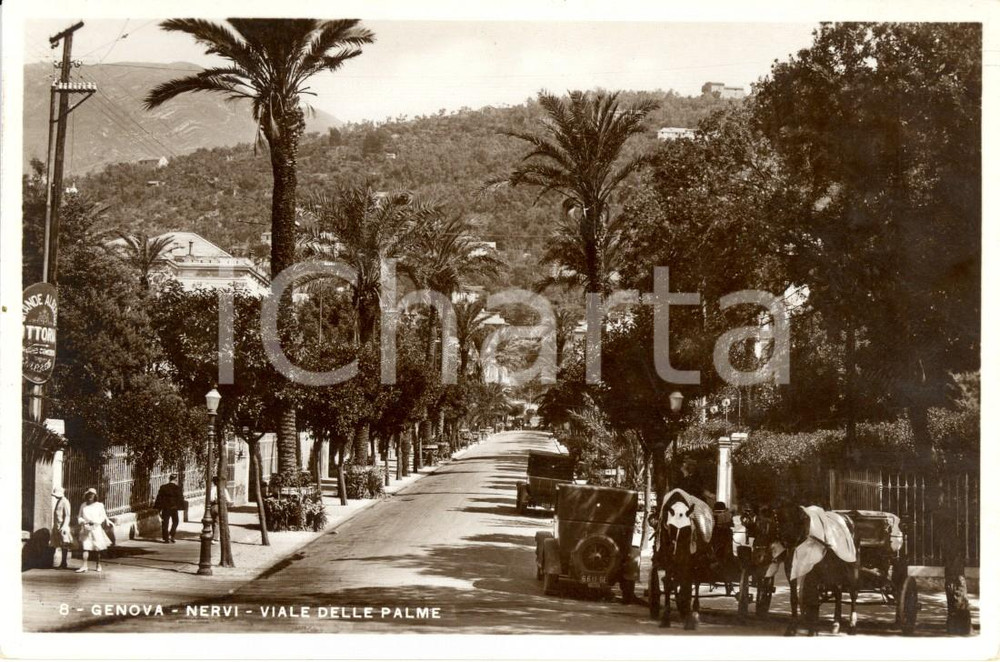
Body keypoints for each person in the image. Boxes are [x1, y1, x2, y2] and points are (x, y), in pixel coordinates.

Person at [76, 487, 112, 573]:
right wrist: (83, 522)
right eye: (89, 495)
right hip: (86, 528)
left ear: (95, 496)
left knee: (97, 548)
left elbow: (102, 517)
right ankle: (84, 566)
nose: (90, 496)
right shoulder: (83, 505)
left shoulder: (99, 505)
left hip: (96, 529)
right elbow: (79, 516)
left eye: (92, 495)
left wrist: (95, 522)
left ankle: (98, 564)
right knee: (85, 547)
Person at [154, 473, 184, 543]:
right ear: (176, 479)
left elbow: (159, 498)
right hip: (174, 508)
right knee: (175, 521)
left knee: (165, 522)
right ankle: (172, 535)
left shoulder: (163, 487)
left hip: (165, 508)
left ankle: (166, 538)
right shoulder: (178, 488)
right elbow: (180, 499)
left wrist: (159, 508)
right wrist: (179, 507)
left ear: (169, 479)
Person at [49, 487, 73, 569]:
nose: (55, 496)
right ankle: (50, 562)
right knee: (54, 543)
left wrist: (64, 526)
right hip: (56, 526)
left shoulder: (65, 502)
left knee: (64, 544)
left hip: (62, 526)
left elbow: (67, 515)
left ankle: (63, 563)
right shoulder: (59, 501)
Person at [209, 477, 232, 543]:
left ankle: (215, 537)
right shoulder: (224, 489)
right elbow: (228, 500)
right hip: (222, 507)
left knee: (215, 522)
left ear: (214, 482)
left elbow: (211, 499)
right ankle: (223, 537)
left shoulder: (213, 489)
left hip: (214, 506)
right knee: (223, 522)